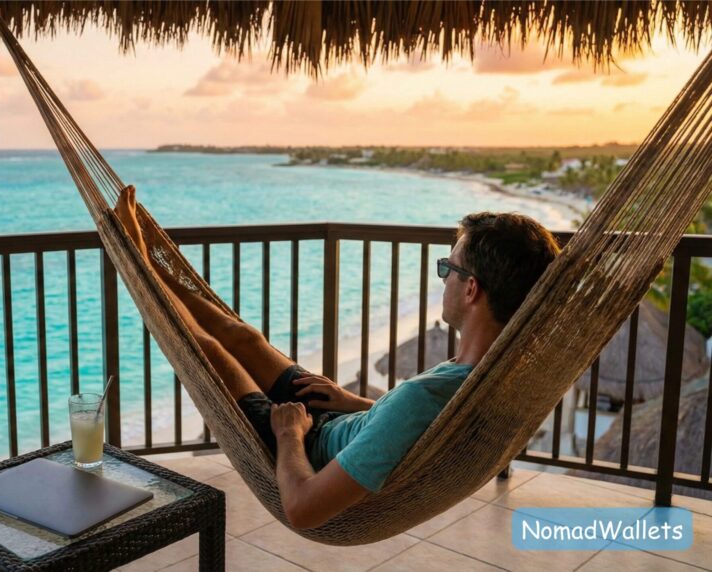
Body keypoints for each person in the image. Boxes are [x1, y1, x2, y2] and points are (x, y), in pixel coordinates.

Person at [114, 186, 561, 529]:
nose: (441, 278)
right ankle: (149, 267)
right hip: (335, 420)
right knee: (243, 337)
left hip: (303, 449)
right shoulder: (487, 378)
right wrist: (354, 402)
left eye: (448, 267)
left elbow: (303, 508)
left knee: (203, 349)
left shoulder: (430, 395)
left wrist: (289, 433)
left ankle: (138, 261)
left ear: (471, 288)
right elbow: (418, 428)